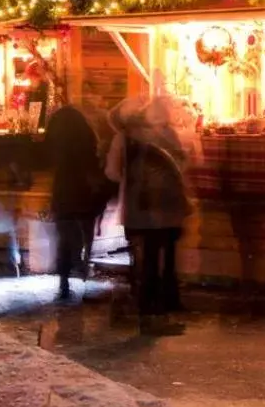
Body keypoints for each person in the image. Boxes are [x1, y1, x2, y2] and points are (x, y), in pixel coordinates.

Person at [107, 95, 194, 334]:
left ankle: (148, 315)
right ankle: (154, 317)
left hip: (137, 210)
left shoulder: (122, 139)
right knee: (156, 263)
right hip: (163, 209)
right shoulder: (161, 136)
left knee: (145, 264)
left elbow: (112, 172)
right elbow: (181, 164)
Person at [44, 96, 114, 300]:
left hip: (63, 194)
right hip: (83, 194)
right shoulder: (86, 139)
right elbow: (93, 166)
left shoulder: (57, 144)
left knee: (64, 238)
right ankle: (83, 264)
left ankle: (64, 279)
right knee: (85, 231)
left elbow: (47, 160)